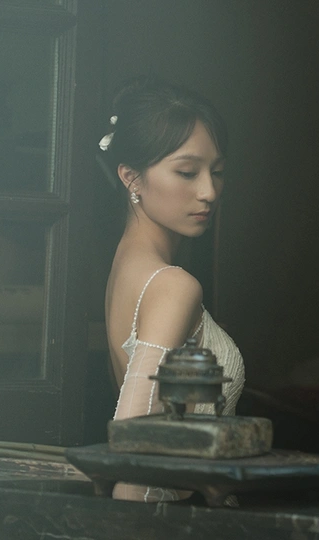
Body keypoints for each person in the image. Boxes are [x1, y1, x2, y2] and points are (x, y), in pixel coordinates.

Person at [101, 76, 245, 502]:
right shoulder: (172, 286)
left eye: (217, 172)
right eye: (187, 172)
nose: (209, 192)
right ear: (131, 177)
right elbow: (134, 452)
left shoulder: (127, 269)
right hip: (170, 520)